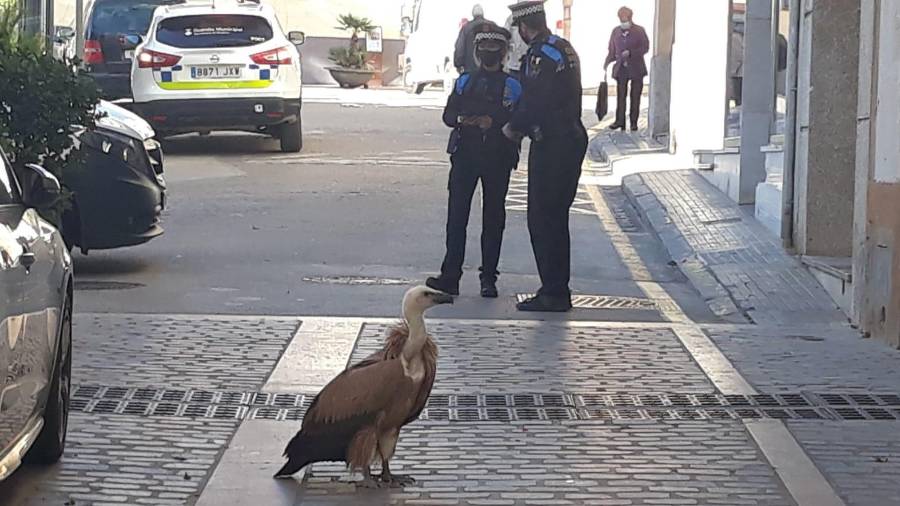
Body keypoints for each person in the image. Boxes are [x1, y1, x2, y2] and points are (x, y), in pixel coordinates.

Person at [502, 0, 587, 312]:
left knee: (543, 218)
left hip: (553, 143)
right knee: (555, 217)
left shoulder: (540, 56)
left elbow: (536, 100)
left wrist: (512, 128)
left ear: (525, 27)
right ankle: (556, 289)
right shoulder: (563, 47)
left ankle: (553, 291)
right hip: (569, 139)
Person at [428, 23, 523, 299]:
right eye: (485, 51)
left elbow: (519, 119)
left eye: (494, 51)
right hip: (465, 155)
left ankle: (488, 278)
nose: (489, 56)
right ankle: (450, 277)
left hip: (498, 157)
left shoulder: (512, 86)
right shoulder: (465, 81)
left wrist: (492, 122)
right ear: (478, 53)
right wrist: (464, 120)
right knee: (456, 217)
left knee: (493, 218)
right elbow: (448, 115)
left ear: (504, 52)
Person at [603, 6, 649, 131]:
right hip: (621, 68)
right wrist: (607, 62)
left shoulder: (639, 30)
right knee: (621, 96)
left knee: (635, 96)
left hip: (636, 68)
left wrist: (631, 53)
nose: (623, 20)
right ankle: (620, 121)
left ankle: (633, 122)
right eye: (621, 18)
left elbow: (645, 47)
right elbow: (612, 48)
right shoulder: (616, 31)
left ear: (630, 17)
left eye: (625, 17)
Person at [454, 5, 489, 75]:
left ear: (473, 14)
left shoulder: (466, 28)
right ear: (483, 14)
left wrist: (458, 64)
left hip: (471, 69)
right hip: (490, 69)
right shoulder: (491, 26)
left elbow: (459, 47)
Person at [503, 13, 528, 80]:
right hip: (513, 64)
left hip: (527, 65)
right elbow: (505, 34)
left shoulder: (529, 17)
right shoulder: (510, 19)